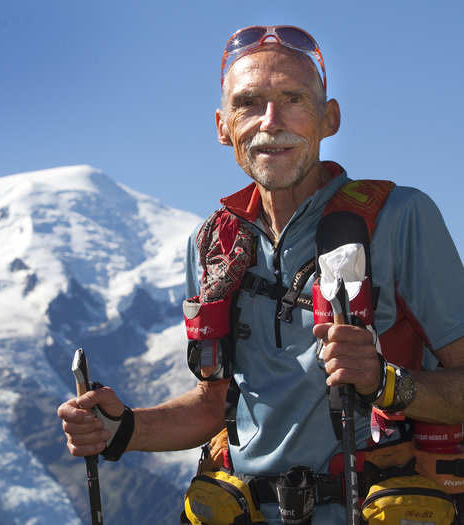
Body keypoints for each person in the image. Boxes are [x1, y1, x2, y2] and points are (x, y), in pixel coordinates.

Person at [57, 25, 464, 523]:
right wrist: (120, 429)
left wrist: (386, 382)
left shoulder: (400, 217)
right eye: (249, 103)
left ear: (329, 118)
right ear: (223, 126)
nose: (271, 121)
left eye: (293, 98)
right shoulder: (213, 245)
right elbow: (216, 407)